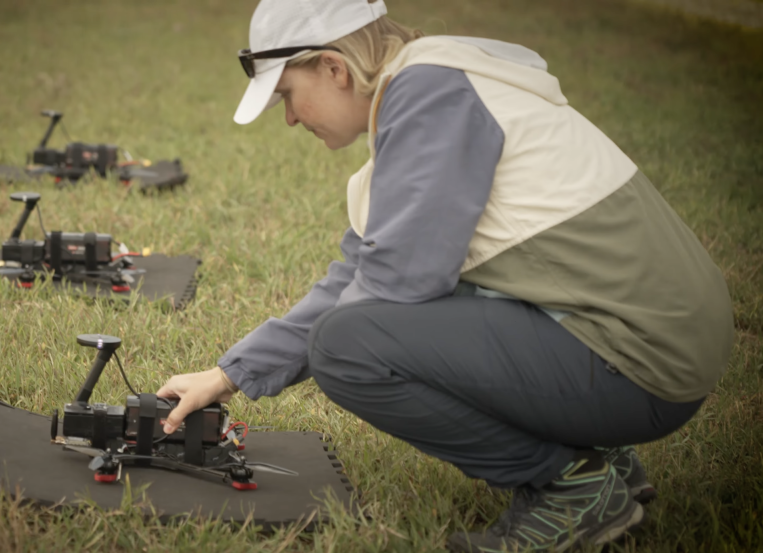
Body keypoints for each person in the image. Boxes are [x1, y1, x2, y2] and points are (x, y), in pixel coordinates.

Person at [156, 0, 734, 550]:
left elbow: (393, 286)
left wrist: (297, 350)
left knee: (347, 347)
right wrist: (227, 375)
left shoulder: (429, 95)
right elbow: (360, 271)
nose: (287, 118)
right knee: (352, 325)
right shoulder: (434, 85)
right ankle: (600, 458)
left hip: (644, 361)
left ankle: (573, 486)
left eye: (287, 94)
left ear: (333, 67)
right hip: (650, 341)